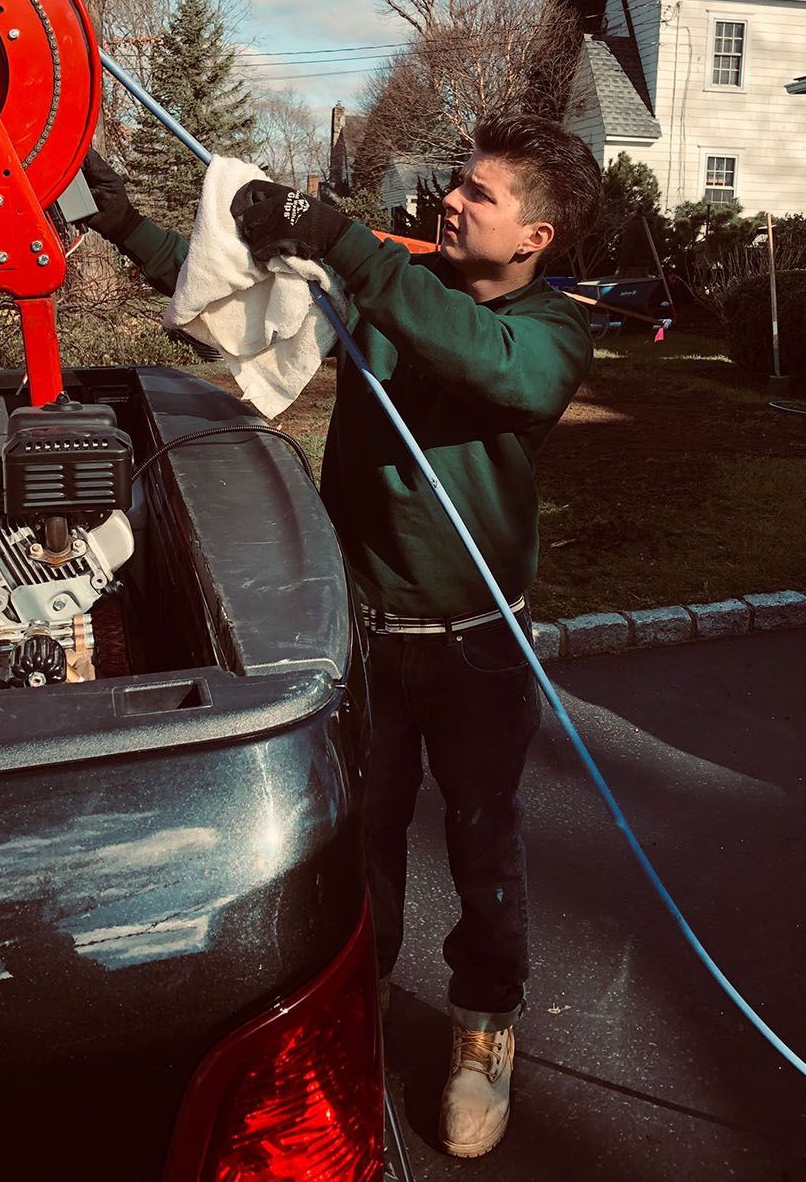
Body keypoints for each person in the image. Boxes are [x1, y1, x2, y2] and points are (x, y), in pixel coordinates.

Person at [82, 114, 601, 1159]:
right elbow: (237, 297)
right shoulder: (397, 279)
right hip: (365, 628)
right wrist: (129, 223)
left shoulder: (551, 331)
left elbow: (497, 371)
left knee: (481, 840)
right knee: (359, 837)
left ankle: (483, 1024)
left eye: (481, 194)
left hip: (475, 646)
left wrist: (347, 243)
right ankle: (354, 1016)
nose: (453, 200)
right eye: (457, 182)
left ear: (536, 237)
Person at [616, 197, 653, 279]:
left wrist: (621, 267)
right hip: (645, 266)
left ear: (634, 212)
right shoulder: (649, 225)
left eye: (627, 213)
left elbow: (628, 247)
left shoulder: (634, 225)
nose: (627, 216)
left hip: (633, 268)